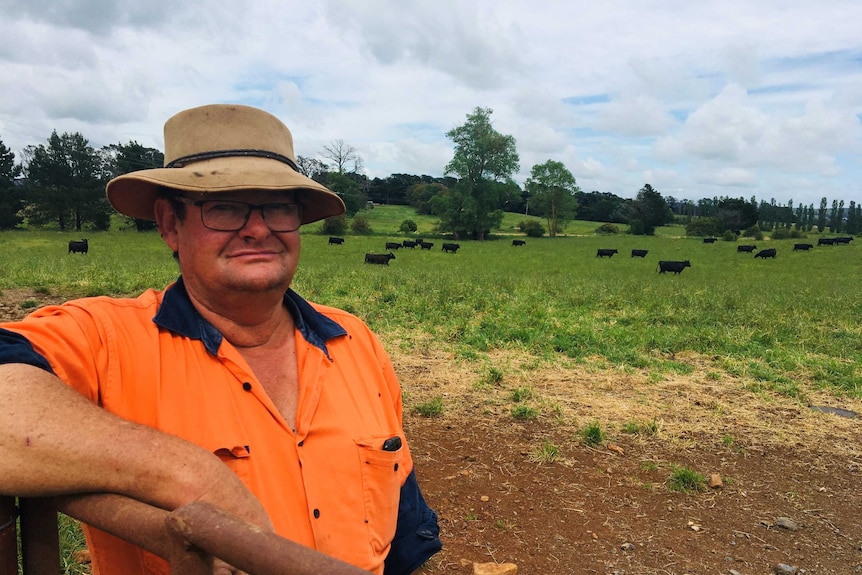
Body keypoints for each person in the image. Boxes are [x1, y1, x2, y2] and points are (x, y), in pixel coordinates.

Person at [0, 104, 441, 575]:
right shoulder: (105, 338)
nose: (258, 228)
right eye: (224, 207)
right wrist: (187, 470)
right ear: (170, 224)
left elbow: (403, 526)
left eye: (277, 206)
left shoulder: (355, 340)